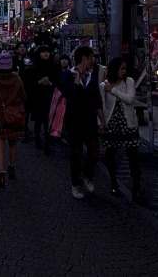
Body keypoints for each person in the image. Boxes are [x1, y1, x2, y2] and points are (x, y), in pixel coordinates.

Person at [60, 46, 105, 200]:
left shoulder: (92, 77)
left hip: (90, 122)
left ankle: (87, 174)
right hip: (74, 122)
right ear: (84, 58)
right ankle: (76, 184)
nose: (93, 60)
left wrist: (102, 120)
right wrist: (77, 78)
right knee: (76, 154)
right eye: (91, 57)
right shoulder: (67, 75)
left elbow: (97, 100)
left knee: (94, 152)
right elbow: (70, 93)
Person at [99, 57, 144, 204]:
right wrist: (101, 123)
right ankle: (113, 182)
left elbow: (130, 99)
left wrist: (113, 90)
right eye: (121, 69)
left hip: (128, 123)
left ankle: (137, 187)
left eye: (125, 69)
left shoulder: (129, 81)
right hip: (112, 124)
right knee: (111, 154)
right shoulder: (103, 85)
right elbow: (103, 106)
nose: (124, 72)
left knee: (133, 156)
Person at [0, 51, 26, 187]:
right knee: (13, 143)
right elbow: (23, 97)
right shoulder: (17, 79)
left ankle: (1, 174)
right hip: (14, 115)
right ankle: (12, 167)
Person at [25, 45, 59, 155]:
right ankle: (38, 140)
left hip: (50, 97)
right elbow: (28, 84)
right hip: (37, 97)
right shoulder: (33, 67)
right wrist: (39, 82)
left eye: (47, 52)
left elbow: (58, 81)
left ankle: (47, 144)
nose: (46, 54)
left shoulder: (53, 67)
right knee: (39, 121)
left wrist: (50, 83)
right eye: (43, 52)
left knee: (48, 121)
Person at [11, 42, 31, 141]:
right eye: (20, 47)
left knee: (26, 109)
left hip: (27, 87)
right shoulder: (13, 60)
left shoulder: (29, 60)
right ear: (17, 49)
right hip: (16, 88)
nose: (22, 49)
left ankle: (25, 128)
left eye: (24, 47)